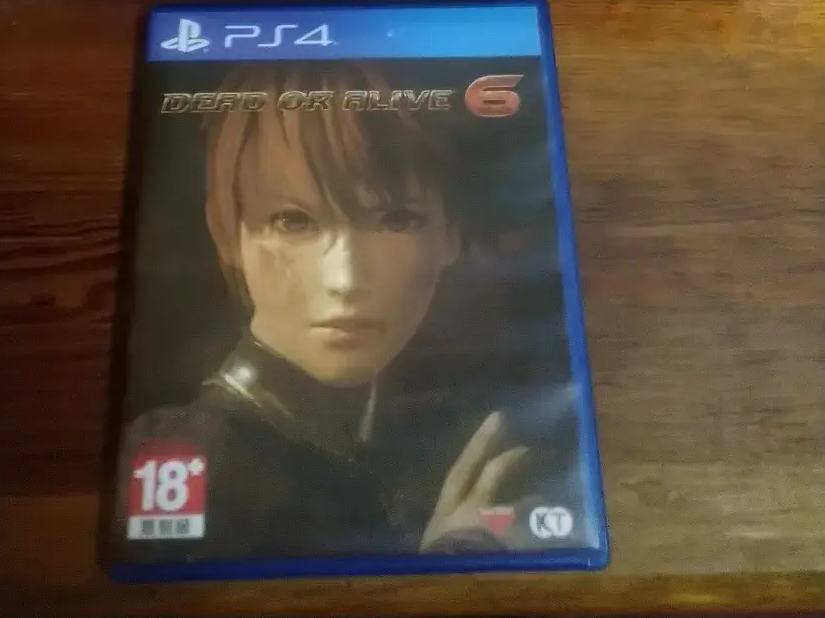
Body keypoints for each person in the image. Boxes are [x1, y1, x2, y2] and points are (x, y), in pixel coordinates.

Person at [117, 63, 530, 561]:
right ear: (228, 233)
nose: (346, 279)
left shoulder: (438, 436)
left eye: (396, 219)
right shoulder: (183, 460)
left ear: (450, 235)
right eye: (293, 221)